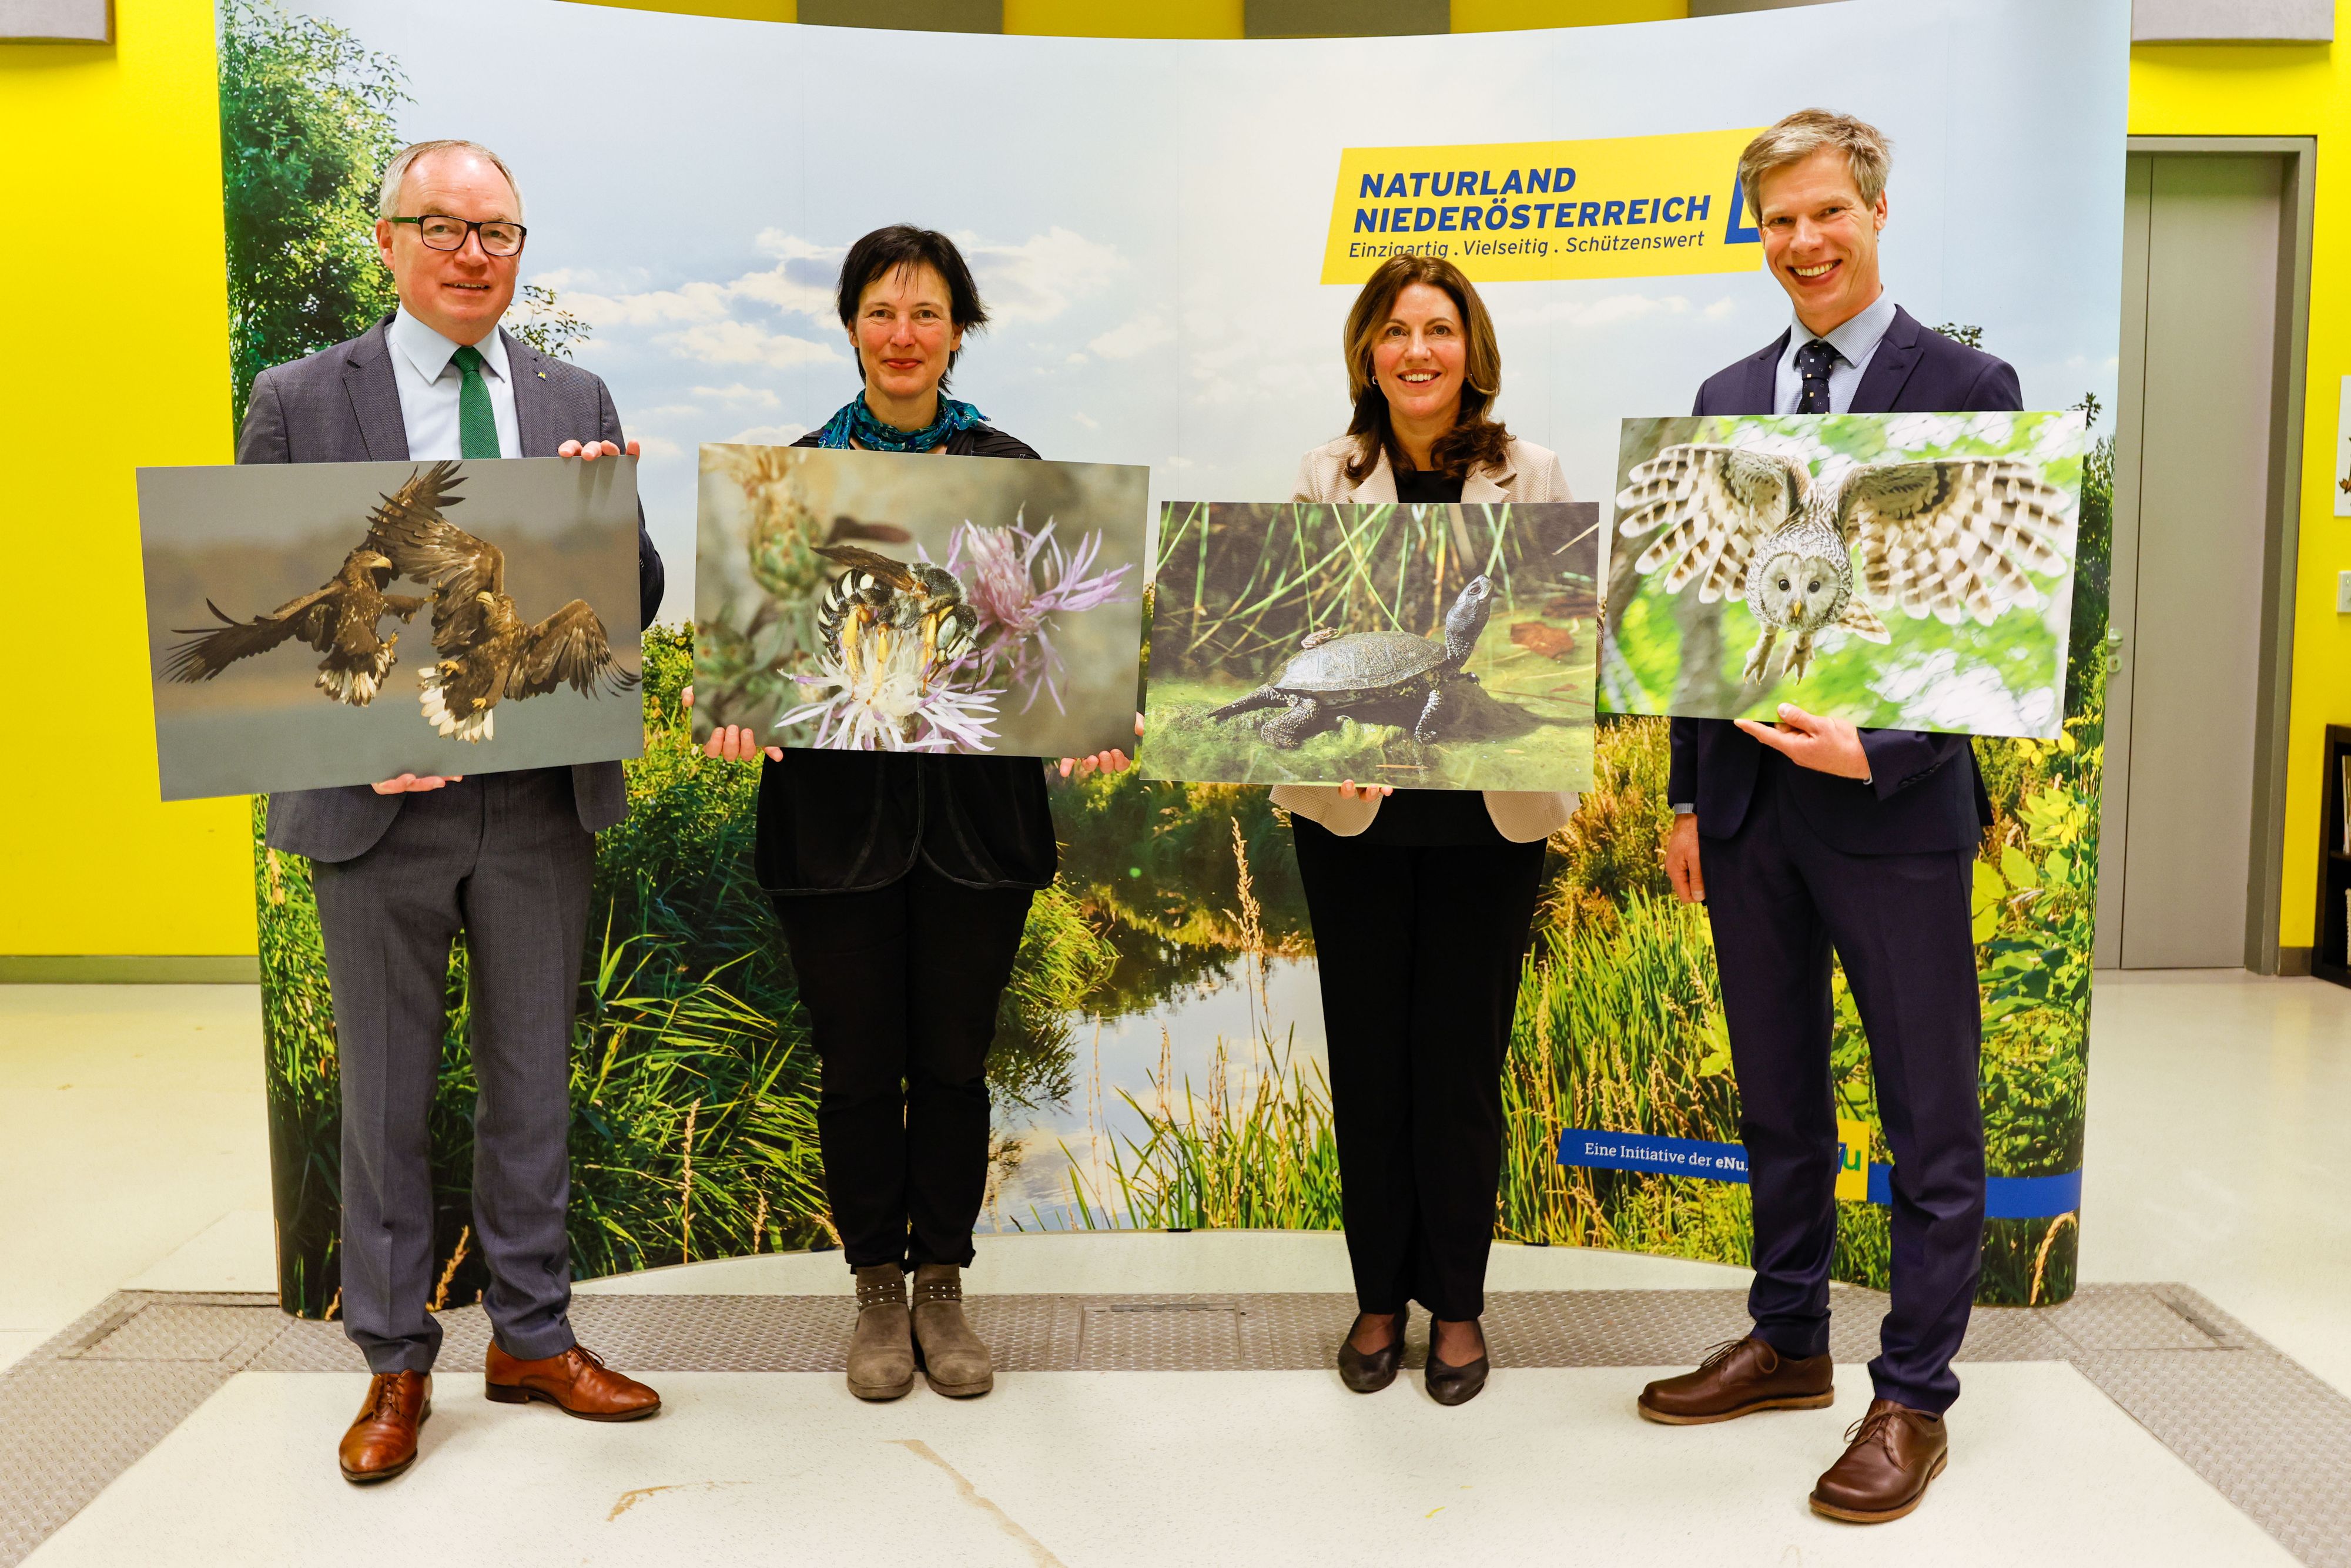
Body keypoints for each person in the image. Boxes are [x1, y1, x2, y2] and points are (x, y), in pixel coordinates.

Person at [240, 139, 666, 1484]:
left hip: (537, 798)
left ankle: (533, 1336)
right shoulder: (299, 397)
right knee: (386, 1094)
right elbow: (266, 603)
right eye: (443, 226)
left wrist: (609, 514)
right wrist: (348, 746)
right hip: (379, 813)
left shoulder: (572, 393)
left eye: (498, 233)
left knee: (531, 1082)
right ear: (388, 239)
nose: (473, 254)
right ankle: (393, 1359)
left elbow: (636, 596)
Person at [1633, 109, 2017, 1525]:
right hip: (1746, 812)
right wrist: (1687, 792)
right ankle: (1789, 1337)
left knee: (1927, 1111)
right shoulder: (1725, 391)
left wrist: (1891, 743)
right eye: (1777, 220)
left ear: (1872, 211)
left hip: (1894, 810)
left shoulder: (1965, 384)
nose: (1801, 242)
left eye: (1824, 214)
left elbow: (2001, 617)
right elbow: (1695, 610)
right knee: (1777, 1094)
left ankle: (1910, 1391)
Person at [696, 225, 1128, 1405]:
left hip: (977, 828)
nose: (903, 334)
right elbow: (753, 652)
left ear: (958, 332)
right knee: (854, 1070)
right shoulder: (787, 481)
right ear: (849, 327)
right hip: (831, 827)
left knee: (951, 1066)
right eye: (881, 311)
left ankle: (942, 1281)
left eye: (926, 312)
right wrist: (737, 707)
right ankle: (875, 1289)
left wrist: (1089, 710)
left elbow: (1050, 647)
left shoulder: (1012, 470)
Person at [1277, 254, 1576, 1407]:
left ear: (1470, 350)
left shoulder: (1529, 473)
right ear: (1368, 350)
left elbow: (1560, 626)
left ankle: (1455, 1303)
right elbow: (1303, 633)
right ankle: (1375, 1297)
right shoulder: (1327, 474)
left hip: (1488, 817)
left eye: (1438, 330)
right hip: (1353, 814)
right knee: (1368, 1064)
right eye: (1396, 330)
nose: (1417, 351)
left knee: (1459, 1066)